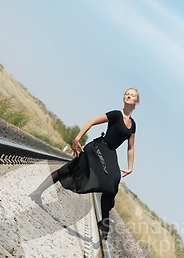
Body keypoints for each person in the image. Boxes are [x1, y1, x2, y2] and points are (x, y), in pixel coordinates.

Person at [30, 88, 139, 240]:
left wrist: (131, 167)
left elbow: (131, 148)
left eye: (132, 95)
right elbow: (92, 122)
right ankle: (37, 192)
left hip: (110, 153)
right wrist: (77, 138)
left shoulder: (132, 125)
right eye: (127, 93)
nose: (128, 95)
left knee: (113, 181)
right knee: (72, 170)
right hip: (99, 147)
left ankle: (104, 223)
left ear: (136, 102)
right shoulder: (116, 114)